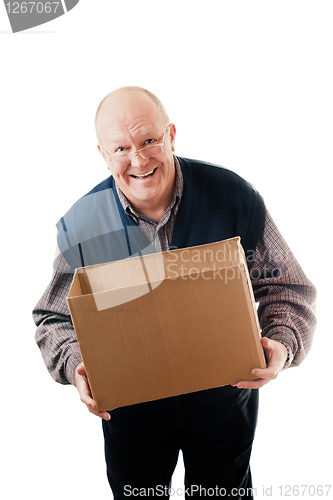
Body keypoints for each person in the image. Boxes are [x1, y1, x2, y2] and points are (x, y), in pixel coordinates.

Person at [33, 86, 316, 499]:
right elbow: (53, 318)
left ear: (171, 135)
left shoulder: (233, 196)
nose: (139, 158)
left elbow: (288, 286)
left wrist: (281, 344)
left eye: (149, 140)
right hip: (131, 415)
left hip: (225, 404)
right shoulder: (83, 225)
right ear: (102, 153)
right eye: (121, 148)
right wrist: (78, 363)